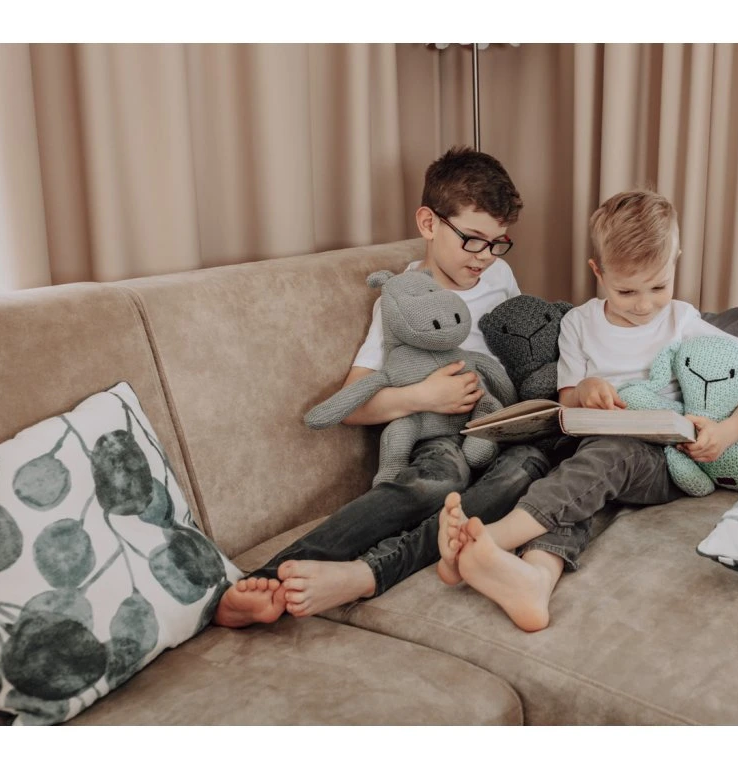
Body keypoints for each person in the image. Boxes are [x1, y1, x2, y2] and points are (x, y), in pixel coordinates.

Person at [213, 146, 549, 628]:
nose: (485, 257)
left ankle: (367, 573)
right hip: (435, 432)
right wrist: (422, 397)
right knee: (440, 482)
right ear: (429, 223)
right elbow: (355, 403)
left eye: (498, 243)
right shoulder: (400, 298)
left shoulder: (500, 275)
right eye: (473, 240)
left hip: (499, 427)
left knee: (526, 472)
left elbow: (523, 342)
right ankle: (263, 581)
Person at [436, 189, 738, 632]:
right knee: (574, 485)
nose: (644, 304)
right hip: (593, 448)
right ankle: (535, 580)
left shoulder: (683, 321)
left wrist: (726, 433)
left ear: (676, 262)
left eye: (659, 286)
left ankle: (488, 538)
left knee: (606, 457)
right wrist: (586, 389)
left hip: (668, 461)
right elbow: (568, 400)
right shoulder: (579, 323)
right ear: (598, 272)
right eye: (626, 290)